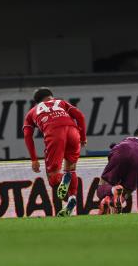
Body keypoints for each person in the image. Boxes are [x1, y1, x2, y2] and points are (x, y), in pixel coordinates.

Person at [23, 87, 87, 217]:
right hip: (73, 131)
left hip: (54, 133)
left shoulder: (31, 112)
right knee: (71, 168)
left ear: (36, 101)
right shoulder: (61, 102)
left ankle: (63, 181)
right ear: (51, 96)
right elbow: (80, 115)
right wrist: (83, 137)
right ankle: (72, 198)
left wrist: (34, 159)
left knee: (52, 176)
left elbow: (27, 135)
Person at [96, 126, 138, 214]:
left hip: (120, 151)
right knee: (126, 191)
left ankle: (110, 194)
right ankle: (111, 202)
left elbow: (113, 153)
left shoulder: (128, 139)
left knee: (103, 185)